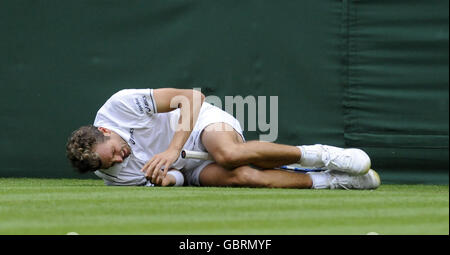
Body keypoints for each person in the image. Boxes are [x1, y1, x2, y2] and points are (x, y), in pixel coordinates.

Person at [66, 88, 380, 190]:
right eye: (112, 164)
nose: (120, 160)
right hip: (189, 167)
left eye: (116, 153)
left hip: (200, 124)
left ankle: (322, 155)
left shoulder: (120, 105)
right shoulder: (111, 173)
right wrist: (169, 178)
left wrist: (173, 148)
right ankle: (333, 181)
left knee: (230, 154)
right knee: (243, 176)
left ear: (105, 131)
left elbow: (192, 97)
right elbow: (175, 176)